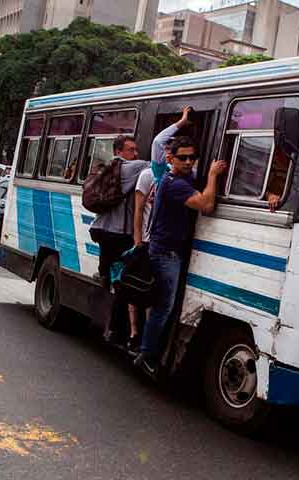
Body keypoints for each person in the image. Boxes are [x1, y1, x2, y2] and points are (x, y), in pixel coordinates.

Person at [134, 137, 228, 374]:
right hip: (165, 253)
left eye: (192, 158)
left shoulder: (185, 179)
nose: (188, 162)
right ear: (170, 158)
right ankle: (147, 354)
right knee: (163, 307)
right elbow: (206, 205)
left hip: (171, 251)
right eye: (182, 157)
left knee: (164, 305)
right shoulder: (173, 183)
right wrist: (213, 175)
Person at [88, 135, 149, 346]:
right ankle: (115, 329)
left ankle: (104, 275)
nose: (136, 154)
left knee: (114, 276)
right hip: (117, 234)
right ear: (119, 152)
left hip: (103, 230)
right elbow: (158, 164)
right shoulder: (130, 168)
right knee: (122, 283)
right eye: (131, 150)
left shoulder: (112, 169)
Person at [134, 107, 193, 247]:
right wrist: (137, 240)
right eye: (165, 149)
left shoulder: (188, 173)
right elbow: (139, 209)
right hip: (152, 239)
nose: (167, 153)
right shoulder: (157, 173)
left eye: (171, 150)